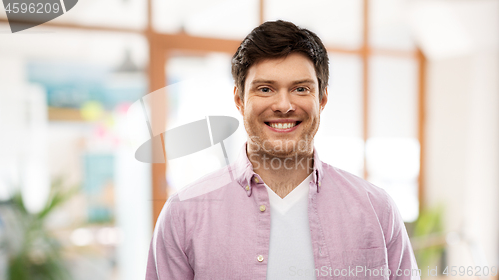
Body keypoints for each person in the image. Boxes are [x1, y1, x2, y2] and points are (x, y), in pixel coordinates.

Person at [146, 20, 420, 280]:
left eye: (300, 89)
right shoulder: (183, 214)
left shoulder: (377, 210)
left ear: (322, 98)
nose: (284, 105)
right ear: (239, 100)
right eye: (265, 89)